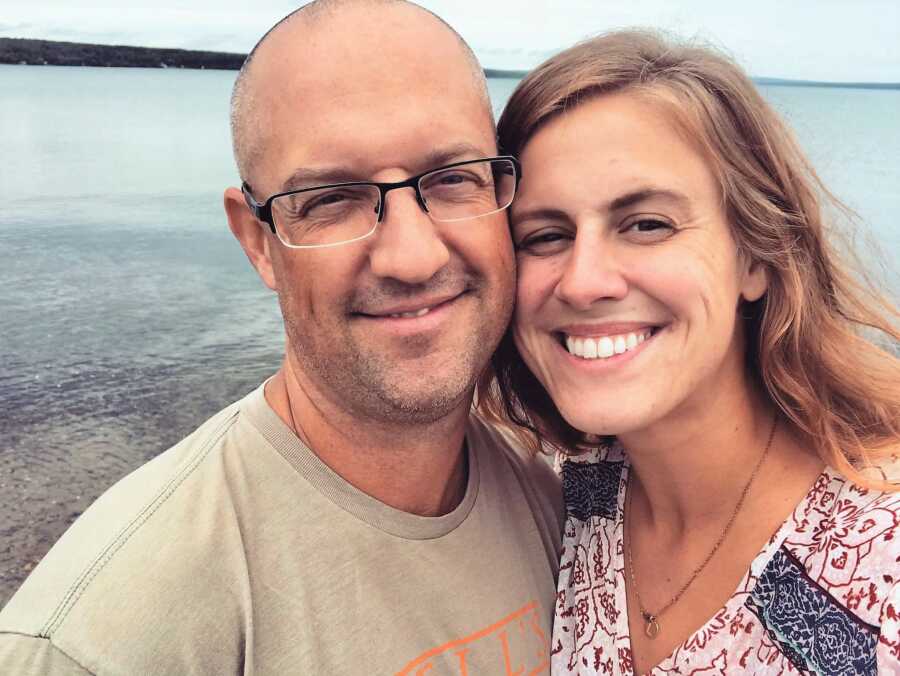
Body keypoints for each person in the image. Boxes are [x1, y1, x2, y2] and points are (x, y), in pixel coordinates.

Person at [0, 1, 563, 673]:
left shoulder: (556, 497)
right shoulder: (108, 639)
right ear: (257, 241)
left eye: (450, 180)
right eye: (330, 199)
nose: (413, 257)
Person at [479, 30, 900, 675]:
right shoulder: (576, 496)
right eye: (545, 235)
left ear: (757, 258)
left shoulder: (871, 556)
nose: (585, 280)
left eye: (647, 225)